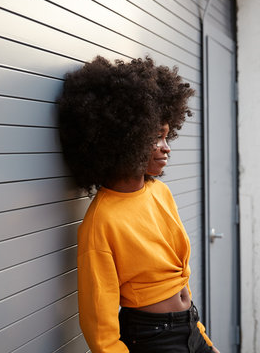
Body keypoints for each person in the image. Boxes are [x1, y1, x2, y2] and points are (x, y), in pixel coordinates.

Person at [58, 56, 219, 353]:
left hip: (190, 328)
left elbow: (176, 279)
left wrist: (201, 338)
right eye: (155, 138)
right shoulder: (101, 222)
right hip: (153, 340)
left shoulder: (161, 192)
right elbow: (100, 331)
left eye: (167, 136)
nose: (166, 147)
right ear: (123, 139)